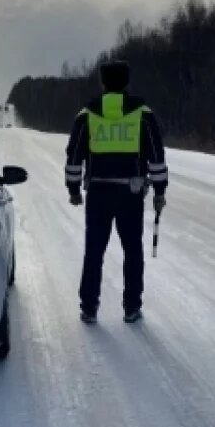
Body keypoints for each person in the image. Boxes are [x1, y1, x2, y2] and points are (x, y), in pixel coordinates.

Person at [64, 61, 168, 324]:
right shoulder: (143, 115)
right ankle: (131, 307)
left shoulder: (86, 115)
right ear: (127, 82)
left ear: (102, 83)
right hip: (131, 194)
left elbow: (74, 155)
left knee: (94, 251)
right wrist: (159, 190)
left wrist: (73, 188)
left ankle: (89, 308)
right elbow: (156, 156)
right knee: (133, 251)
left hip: (98, 192)